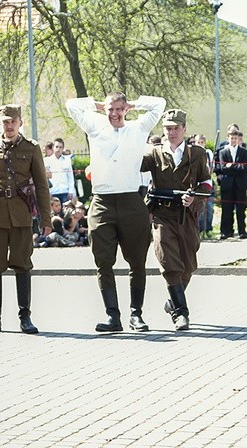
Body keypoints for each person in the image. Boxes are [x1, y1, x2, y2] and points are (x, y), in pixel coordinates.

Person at [66, 92, 165, 333]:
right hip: (102, 201)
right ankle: (113, 316)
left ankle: (136, 314)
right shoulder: (95, 126)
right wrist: (97, 105)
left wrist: (134, 104)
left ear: (126, 110)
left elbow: (159, 105)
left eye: (119, 109)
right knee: (103, 261)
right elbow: (71, 106)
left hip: (131, 199)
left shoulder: (137, 129)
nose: (115, 114)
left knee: (137, 261)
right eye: (111, 109)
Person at [0, 104, 51, 334]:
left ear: (20, 122)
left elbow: (42, 186)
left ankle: (25, 318)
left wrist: (46, 219)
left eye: (13, 121)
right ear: (0, 123)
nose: (10, 125)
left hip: (22, 215)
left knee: (23, 265)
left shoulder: (32, 148)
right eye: (5, 121)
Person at [141, 109, 211, 331]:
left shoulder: (197, 154)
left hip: (187, 216)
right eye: (168, 128)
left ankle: (173, 302)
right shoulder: (154, 153)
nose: (172, 132)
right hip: (162, 214)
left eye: (176, 128)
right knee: (169, 262)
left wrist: (195, 198)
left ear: (184, 129)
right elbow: (130, 165)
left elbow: (207, 185)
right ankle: (181, 314)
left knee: (188, 265)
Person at [215, 129, 247, 239]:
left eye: (235, 138)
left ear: (238, 139)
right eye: (231, 138)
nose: (234, 140)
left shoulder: (244, 151)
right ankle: (226, 231)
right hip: (227, 184)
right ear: (228, 139)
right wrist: (236, 167)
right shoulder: (223, 152)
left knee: (240, 209)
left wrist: (232, 166)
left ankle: (242, 231)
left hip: (240, 184)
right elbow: (223, 168)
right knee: (226, 209)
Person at [194, 134, 215, 239]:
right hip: (198, 185)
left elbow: (212, 167)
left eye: (202, 142)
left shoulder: (208, 153)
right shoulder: (193, 153)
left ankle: (208, 229)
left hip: (208, 183)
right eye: (198, 142)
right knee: (200, 209)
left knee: (209, 208)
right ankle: (199, 230)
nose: (200, 144)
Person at [44, 137, 75, 203]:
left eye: (60, 147)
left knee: (66, 212)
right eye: (57, 147)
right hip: (53, 192)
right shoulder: (47, 161)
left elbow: (70, 177)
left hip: (65, 192)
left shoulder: (67, 160)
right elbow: (45, 179)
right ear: (53, 147)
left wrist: (70, 191)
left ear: (63, 148)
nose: (58, 149)